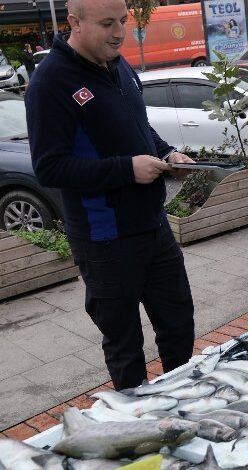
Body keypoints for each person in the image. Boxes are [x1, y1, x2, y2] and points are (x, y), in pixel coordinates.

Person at [25, 0, 196, 391]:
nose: (120, 32)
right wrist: (127, 169)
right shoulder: (51, 81)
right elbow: (49, 167)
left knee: (179, 324)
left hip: (154, 226)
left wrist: (167, 152)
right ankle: (135, 428)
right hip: (105, 239)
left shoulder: (118, 63)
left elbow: (140, 129)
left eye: (123, 20)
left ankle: (183, 406)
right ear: (74, 22)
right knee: (125, 347)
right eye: (107, 23)